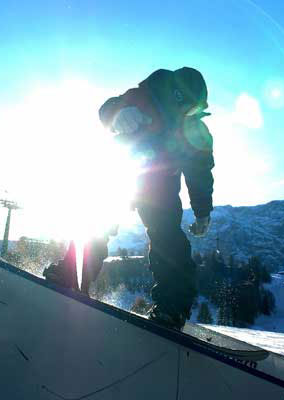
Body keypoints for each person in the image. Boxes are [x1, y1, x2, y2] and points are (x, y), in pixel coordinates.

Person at [99, 67, 215, 330]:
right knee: (99, 218)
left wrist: (202, 211)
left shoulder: (195, 130)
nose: (191, 116)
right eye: (189, 108)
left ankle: (172, 307)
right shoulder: (145, 97)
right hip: (122, 172)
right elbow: (107, 108)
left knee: (167, 238)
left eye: (196, 111)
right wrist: (116, 115)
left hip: (159, 185)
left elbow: (200, 174)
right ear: (176, 97)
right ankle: (72, 269)